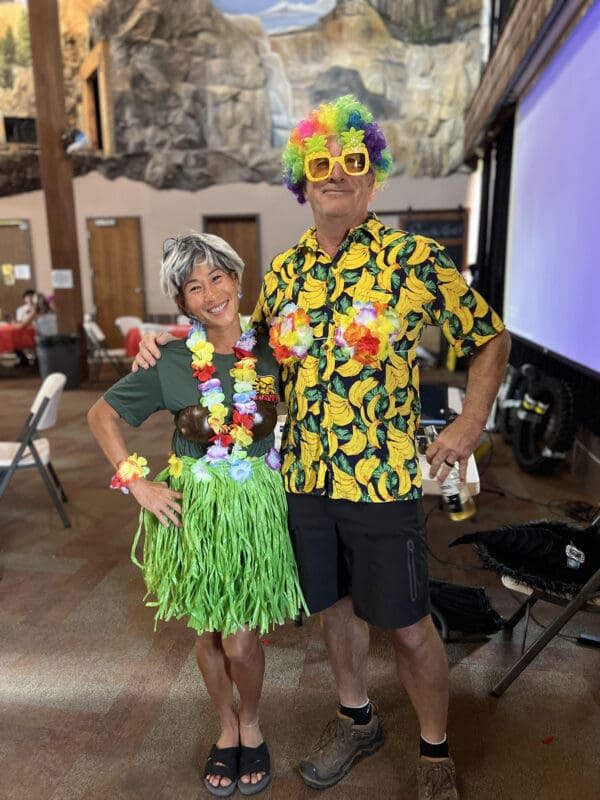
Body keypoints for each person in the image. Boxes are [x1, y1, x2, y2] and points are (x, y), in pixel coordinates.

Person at [134, 95, 511, 800]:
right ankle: (356, 718)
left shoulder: (414, 258)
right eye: (320, 163)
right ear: (299, 180)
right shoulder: (283, 272)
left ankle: (435, 752)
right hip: (302, 481)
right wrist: (164, 335)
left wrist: (471, 423)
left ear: (372, 176)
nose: (336, 174)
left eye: (353, 161)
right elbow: (232, 343)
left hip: (382, 481)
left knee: (405, 625)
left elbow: (490, 336)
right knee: (333, 611)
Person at [88, 232, 306, 797]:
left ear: (236, 279)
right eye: (193, 286)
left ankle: (252, 719)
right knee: (207, 632)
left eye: (218, 277)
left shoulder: (278, 347)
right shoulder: (172, 361)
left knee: (239, 639)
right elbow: (101, 415)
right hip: (193, 512)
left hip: (256, 509)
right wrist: (138, 485)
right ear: (181, 303)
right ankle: (227, 726)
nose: (211, 293)